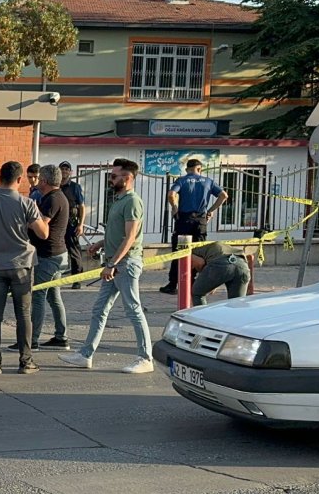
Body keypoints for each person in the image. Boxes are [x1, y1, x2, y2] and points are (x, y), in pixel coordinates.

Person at [59, 158, 154, 374]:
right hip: (115, 263)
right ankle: (85, 354)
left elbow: (130, 237)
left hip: (125, 263)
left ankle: (145, 357)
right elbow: (119, 232)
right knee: (99, 309)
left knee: (134, 309)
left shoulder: (132, 201)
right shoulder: (119, 199)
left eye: (113, 176)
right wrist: (101, 244)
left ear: (127, 178)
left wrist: (112, 264)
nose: (110, 180)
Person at [0, 161, 49, 375]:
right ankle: (26, 361)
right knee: (23, 314)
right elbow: (43, 233)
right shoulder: (27, 203)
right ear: (20, 179)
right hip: (22, 264)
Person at [14, 164, 71, 351]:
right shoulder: (58, 196)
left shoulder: (52, 199)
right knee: (54, 297)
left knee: (38, 296)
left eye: (39, 179)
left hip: (49, 255)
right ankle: (61, 336)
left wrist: (27, 219)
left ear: (44, 181)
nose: (37, 182)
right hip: (58, 253)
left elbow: (41, 227)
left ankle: (33, 340)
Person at [160, 158, 228, 294]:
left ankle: (173, 284)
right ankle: (197, 283)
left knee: (179, 251)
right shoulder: (208, 181)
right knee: (199, 252)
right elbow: (223, 195)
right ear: (200, 169)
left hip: (184, 220)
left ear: (187, 170)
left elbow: (171, 194)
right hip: (200, 221)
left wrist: (174, 207)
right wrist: (211, 211)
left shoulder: (182, 180)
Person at [59, 161, 86, 289]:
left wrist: (81, 224)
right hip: (58, 224)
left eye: (66, 169)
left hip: (71, 223)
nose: (64, 171)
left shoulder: (75, 187)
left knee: (74, 251)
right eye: (62, 169)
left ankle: (77, 279)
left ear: (70, 172)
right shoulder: (55, 186)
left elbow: (81, 206)